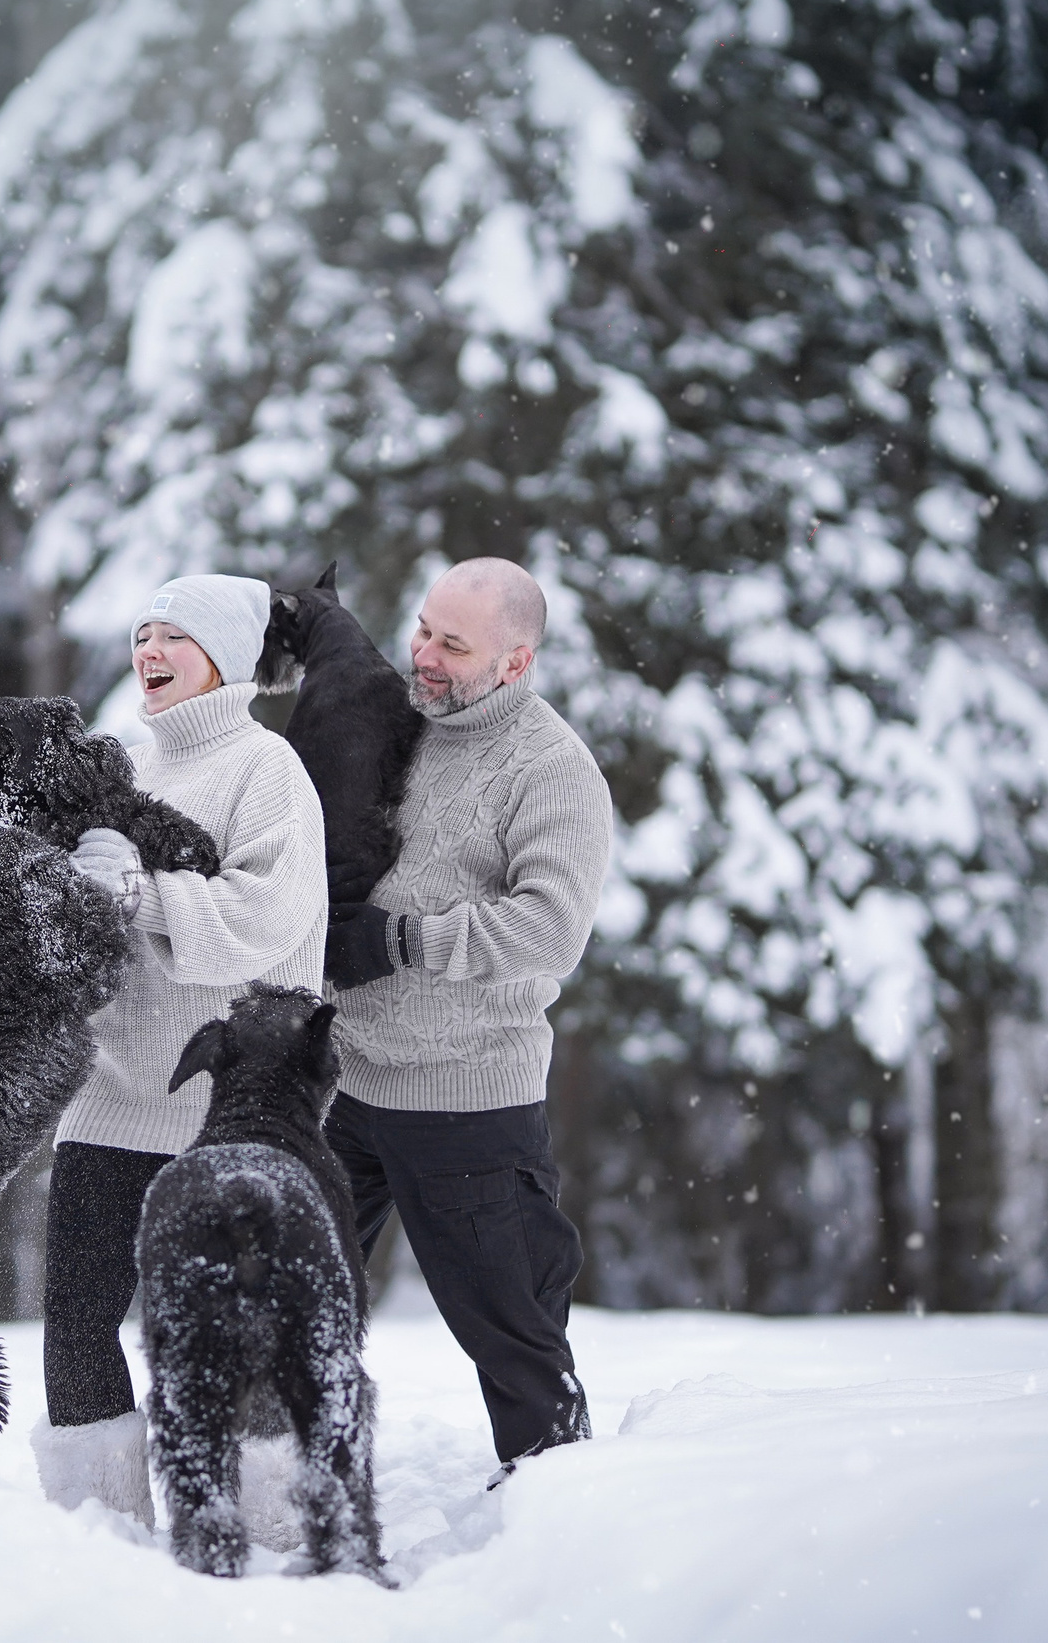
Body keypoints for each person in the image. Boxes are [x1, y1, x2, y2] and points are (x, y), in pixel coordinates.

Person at [31, 574, 328, 1527]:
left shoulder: (267, 769)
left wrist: (137, 895)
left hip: (228, 1110)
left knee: (243, 1339)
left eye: (174, 636)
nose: (148, 652)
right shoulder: (121, 769)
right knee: (76, 1325)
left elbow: (259, 920)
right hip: (112, 1093)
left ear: (227, 658)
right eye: (142, 634)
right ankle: (103, 1528)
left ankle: (269, 1529)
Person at [319, 557, 614, 1479]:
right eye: (423, 628)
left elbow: (550, 928)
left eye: (454, 643)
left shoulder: (553, 770)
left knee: (513, 1337)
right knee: (291, 1291)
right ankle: (297, 1484)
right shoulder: (398, 722)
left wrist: (404, 942)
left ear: (517, 663)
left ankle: (558, 1521)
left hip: (465, 1097)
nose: (426, 655)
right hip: (345, 1076)